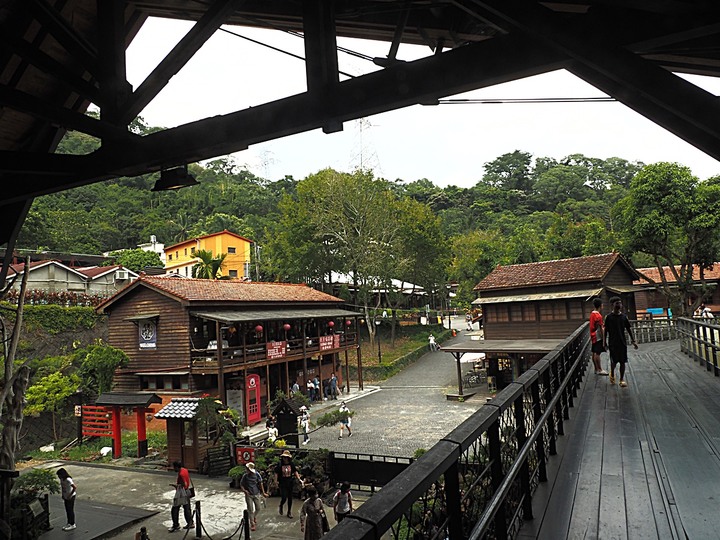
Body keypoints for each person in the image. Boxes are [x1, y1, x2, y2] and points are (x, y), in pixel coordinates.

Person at [604, 296, 638, 388]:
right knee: (614, 361)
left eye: (620, 303)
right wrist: (604, 342)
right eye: (617, 303)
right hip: (612, 342)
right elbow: (605, 330)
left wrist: (633, 340)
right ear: (612, 305)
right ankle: (612, 373)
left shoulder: (623, 317)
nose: (619, 305)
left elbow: (628, 329)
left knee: (623, 361)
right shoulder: (608, 317)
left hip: (622, 342)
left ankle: (621, 379)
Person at [240, 462, 269, 531]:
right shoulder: (245, 476)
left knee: (258, 508)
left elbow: (260, 483)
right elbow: (241, 485)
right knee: (250, 509)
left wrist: (263, 492)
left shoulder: (257, 474)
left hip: (256, 493)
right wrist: (245, 491)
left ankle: (254, 516)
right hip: (249, 494)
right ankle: (252, 524)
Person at [275, 450, 302, 519]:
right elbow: (276, 473)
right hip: (282, 482)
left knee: (290, 497)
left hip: (289, 482)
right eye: (284, 457)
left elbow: (295, 471)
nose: (285, 458)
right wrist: (276, 481)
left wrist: (299, 478)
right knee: (284, 497)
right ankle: (281, 505)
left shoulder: (291, 464)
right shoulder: (280, 464)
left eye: (286, 457)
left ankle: (289, 512)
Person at [168, 460, 194, 532]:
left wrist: (175, 486)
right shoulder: (185, 470)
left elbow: (184, 485)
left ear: (176, 467)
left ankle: (176, 525)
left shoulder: (181, 474)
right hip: (187, 492)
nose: (173, 469)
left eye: (174, 467)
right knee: (187, 508)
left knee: (175, 509)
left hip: (181, 493)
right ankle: (190, 523)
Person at [589, 298, 608, 375]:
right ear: (601, 305)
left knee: (594, 352)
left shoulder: (592, 314)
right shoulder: (598, 315)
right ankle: (599, 369)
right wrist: (603, 338)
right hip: (597, 336)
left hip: (593, 334)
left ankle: (596, 369)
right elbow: (600, 328)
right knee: (597, 352)